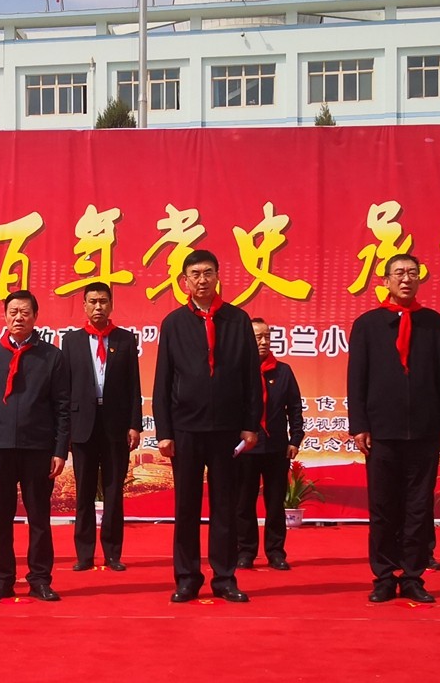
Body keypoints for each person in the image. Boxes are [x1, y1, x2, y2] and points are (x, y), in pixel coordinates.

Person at [347, 254, 440, 604]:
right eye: (399, 273)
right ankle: (383, 575)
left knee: (418, 506)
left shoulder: (433, 323)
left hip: (424, 430)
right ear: (386, 280)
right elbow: (356, 379)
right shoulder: (367, 324)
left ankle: (412, 575)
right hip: (381, 430)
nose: (406, 279)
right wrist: (360, 424)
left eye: (412, 273)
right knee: (382, 506)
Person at [153, 249, 261, 603]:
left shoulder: (237, 320)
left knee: (225, 506)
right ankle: (187, 577)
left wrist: (249, 425)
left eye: (208, 273)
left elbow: (249, 376)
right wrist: (164, 432)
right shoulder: (173, 323)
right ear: (184, 281)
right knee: (186, 507)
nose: (202, 279)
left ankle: (225, 576)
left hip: (227, 429)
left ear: (218, 276)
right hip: (185, 428)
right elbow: (163, 381)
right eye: (195, 274)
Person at [0, 290, 71, 602]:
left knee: (39, 517)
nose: (18, 317)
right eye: (13, 311)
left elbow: (62, 407)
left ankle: (40, 578)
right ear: (4, 315)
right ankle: (2, 578)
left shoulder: (51, 356)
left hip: (38, 447)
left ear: (35, 317)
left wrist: (59, 450)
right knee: (0, 517)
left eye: (25, 312)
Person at [63, 282, 142, 571]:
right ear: (84, 306)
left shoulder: (124, 339)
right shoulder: (71, 341)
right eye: (93, 301)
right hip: (82, 425)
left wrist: (134, 424)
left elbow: (134, 385)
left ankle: (112, 553)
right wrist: (67, 429)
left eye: (103, 301)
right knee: (83, 492)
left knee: (113, 490)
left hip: (115, 426)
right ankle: (84, 554)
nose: (98, 307)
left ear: (111, 305)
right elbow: (65, 387)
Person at [235, 317, 305, 571]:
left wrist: (295, 438)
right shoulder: (237, 371)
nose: (264, 342)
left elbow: (295, 408)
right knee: (243, 502)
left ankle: (275, 552)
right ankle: (246, 551)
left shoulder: (283, 371)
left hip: (276, 447)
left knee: (275, 503)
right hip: (246, 448)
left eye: (267, 337)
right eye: (258, 337)